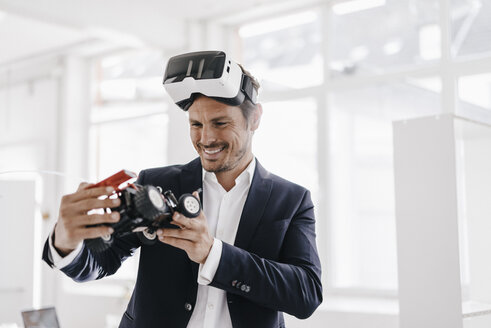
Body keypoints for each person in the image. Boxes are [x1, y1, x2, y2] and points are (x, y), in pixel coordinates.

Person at [42, 51, 323, 328]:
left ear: (255, 119)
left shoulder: (292, 200)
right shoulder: (157, 184)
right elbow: (102, 261)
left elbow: (306, 294)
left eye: (220, 123)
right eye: (196, 124)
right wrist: (67, 242)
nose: (206, 138)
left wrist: (213, 254)